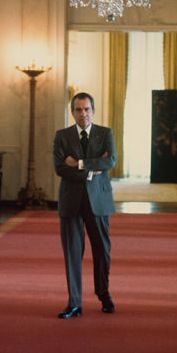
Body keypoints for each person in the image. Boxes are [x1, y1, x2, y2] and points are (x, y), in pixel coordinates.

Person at [52, 92, 117, 319]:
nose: (83, 114)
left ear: (93, 110)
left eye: (87, 109)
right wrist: (92, 171)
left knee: (102, 251)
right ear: (72, 112)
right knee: (72, 253)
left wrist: (79, 164)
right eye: (78, 110)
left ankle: (103, 293)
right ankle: (75, 303)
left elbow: (110, 161)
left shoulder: (105, 133)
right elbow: (60, 168)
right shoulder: (62, 136)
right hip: (71, 202)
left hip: (98, 201)